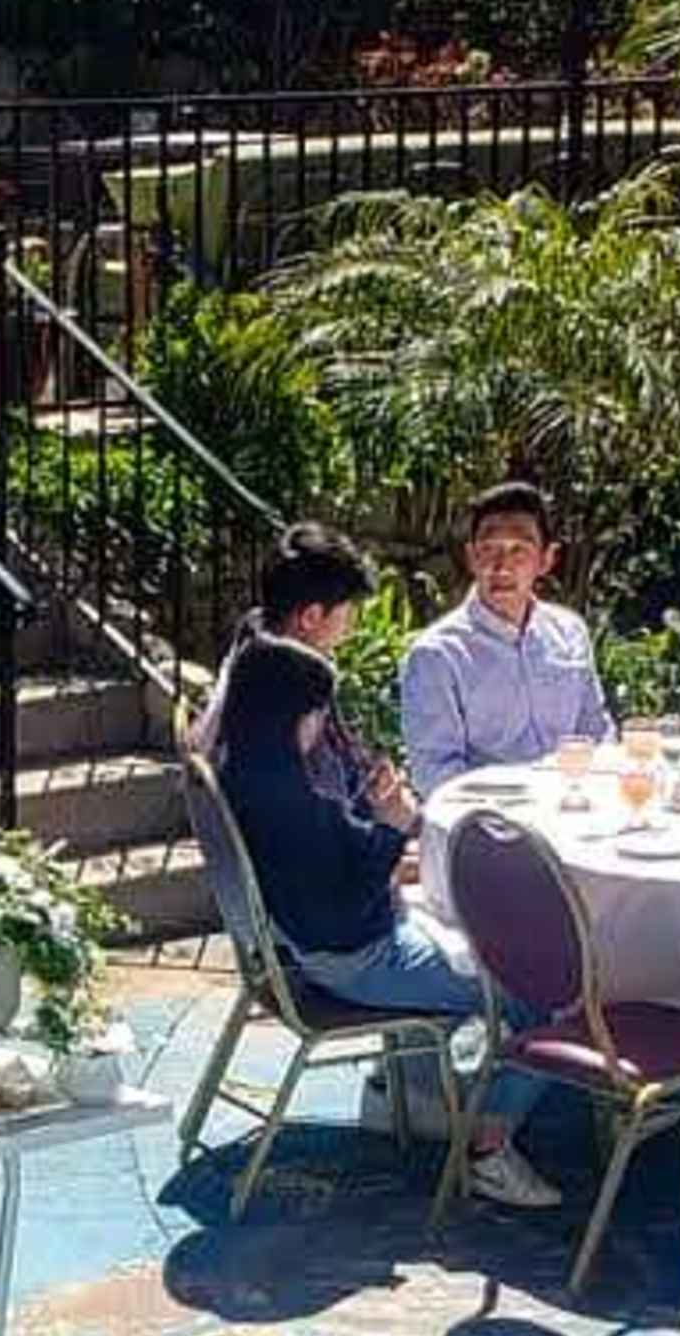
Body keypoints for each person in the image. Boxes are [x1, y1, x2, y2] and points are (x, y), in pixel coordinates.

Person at [211, 632, 563, 1213]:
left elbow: (328, 864)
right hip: (358, 959)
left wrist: (373, 817)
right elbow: (345, 907)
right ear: (286, 716)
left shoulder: (247, 772)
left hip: (312, 947)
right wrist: (393, 827)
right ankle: (489, 1146)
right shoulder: (285, 801)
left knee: (478, 932)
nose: (321, 726)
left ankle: (419, 1094)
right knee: (542, 987)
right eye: (315, 713)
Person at [396, 481, 609, 793]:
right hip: (487, 817)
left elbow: (597, 733)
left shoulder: (570, 632)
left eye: (519, 550)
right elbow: (434, 773)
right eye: (489, 550)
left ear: (546, 559)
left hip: (573, 805)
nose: (502, 566)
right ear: (471, 557)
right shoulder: (437, 655)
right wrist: (523, 800)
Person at [186, 523, 376, 804]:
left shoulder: (251, 648)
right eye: (348, 614)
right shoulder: (287, 695)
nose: (350, 627)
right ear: (310, 617)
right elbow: (310, 804)